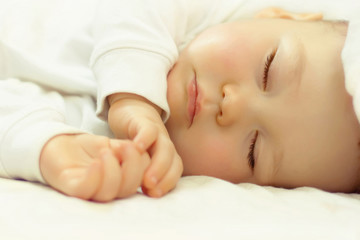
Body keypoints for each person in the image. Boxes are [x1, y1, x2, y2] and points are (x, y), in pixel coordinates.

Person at [0, 0, 359, 202]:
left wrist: (49, 148)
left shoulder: (131, 153)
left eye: (254, 150)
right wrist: (133, 98)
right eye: (268, 70)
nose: (231, 105)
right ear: (280, 15)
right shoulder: (200, 13)